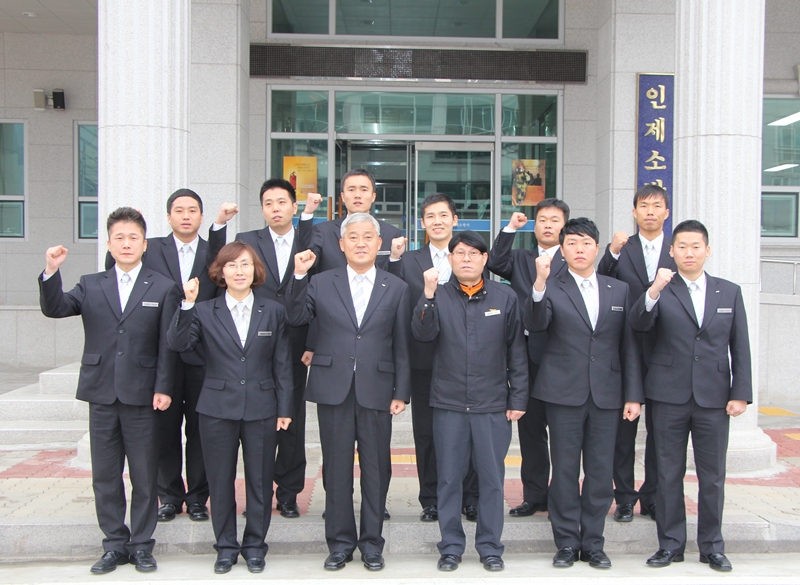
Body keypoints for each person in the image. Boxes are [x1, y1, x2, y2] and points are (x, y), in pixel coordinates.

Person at [39, 207, 181, 574]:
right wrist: (52, 271)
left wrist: (164, 387)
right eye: (119, 237)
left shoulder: (163, 287)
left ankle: (142, 545)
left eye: (133, 237)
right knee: (105, 475)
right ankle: (114, 544)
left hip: (143, 394)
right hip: (101, 392)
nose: (126, 243)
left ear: (144, 244)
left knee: (145, 475)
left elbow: (168, 345)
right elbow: (56, 308)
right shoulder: (90, 284)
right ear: (109, 243)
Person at [287, 213, 411, 572]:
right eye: (352, 237)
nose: (360, 243)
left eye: (368, 237)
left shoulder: (396, 286)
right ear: (341, 244)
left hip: (377, 388)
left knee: (377, 469)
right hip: (333, 388)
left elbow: (401, 344)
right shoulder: (320, 282)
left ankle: (372, 543)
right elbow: (295, 318)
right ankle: (340, 544)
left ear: (379, 243)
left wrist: (401, 391)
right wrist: (298, 276)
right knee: (336, 470)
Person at [630, 220, 751, 572]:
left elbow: (740, 345)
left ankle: (712, 546)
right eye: (681, 246)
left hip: (714, 397)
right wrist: (653, 290)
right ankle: (670, 544)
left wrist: (741, 392)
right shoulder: (661, 289)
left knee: (712, 475)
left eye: (695, 246)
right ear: (672, 251)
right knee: (668, 473)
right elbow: (638, 325)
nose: (689, 253)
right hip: (668, 395)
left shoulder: (728, 291)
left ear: (707, 250)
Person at [167, 242, 293, 574]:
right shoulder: (203, 310)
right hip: (216, 409)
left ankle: (254, 547)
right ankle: (225, 547)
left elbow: (282, 364)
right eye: (232, 265)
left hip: (262, 408)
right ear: (221, 272)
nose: (239, 271)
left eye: (245, 264)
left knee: (260, 482)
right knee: (220, 482)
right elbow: (178, 344)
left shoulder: (273, 311)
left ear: (255, 270)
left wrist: (285, 408)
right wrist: (187, 304)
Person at [103, 189, 228, 524]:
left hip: (203, 354)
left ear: (201, 216)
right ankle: (170, 496)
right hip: (158, 355)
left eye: (192, 210)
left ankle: (198, 498)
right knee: (163, 429)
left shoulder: (214, 252)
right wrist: (129, 227)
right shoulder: (150, 247)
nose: (186, 216)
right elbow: (114, 269)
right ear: (168, 216)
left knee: (201, 431)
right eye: (179, 210)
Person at [526, 217, 643, 570]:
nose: (579, 249)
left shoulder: (618, 289)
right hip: (563, 393)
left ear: (597, 247)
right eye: (572, 243)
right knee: (564, 470)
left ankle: (593, 543)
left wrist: (633, 395)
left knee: (599, 470)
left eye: (586, 243)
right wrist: (539, 283)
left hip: (607, 394)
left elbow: (629, 346)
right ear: (562, 250)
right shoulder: (551, 286)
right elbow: (536, 324)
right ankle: (565, 542)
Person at [412, 230, 528, 573]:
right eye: (459, 253)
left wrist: (518, 396)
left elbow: (516, 352)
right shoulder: (438, 295)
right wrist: (427, 295)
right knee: (449, 479)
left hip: (492, 405)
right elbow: (421, 335)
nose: (466, 259)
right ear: (449, 259)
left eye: (473, 253)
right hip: (448, 404)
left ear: (484, 259)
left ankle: (490, 547)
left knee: (492, 480)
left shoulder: (505, 298)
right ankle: (450, 547)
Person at [219, 178, 316, 518]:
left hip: (297, 344)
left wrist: (313, 342)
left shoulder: (311, 240)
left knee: (292, 421)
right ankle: (258, 494)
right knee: (259, 423)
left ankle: (288, 493)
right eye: (269, 204)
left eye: (282, 202)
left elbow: (321, 292)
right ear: (262, 209)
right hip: (255, 344)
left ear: (294, 206)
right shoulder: (247, 241)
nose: (276, 209)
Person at [386, 193, 479, 523]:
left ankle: (470, 497)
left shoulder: (467, 255)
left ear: (455, 219)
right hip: (423, 359)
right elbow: (394, 299)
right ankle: (431, 498)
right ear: (422, 223)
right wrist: (393, 259)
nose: (437, 221)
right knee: (426, 433)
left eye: (443, 215)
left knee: (467, 431)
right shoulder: (409, 260)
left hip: (464, 359)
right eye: (430, 216)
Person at [597, 184, 676, 523]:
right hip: (625, 347)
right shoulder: (623, 248)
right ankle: (625, 497)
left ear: (666, 212)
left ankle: (653, 496)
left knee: (661, 430)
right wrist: (612, 252)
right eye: (644, 206)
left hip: (666, 350)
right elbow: (599, 281)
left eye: (656, 206)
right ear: (634, 212)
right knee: (623, 431)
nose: (650, 212)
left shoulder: (676, 250)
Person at [486, 198, 570, 517]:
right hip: (527, 356)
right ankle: (535, 496)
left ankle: (562, 496)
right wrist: (510, 228)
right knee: (531, 430)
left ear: (564, 226)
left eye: (555, 220)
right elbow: (495, 262)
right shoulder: (522, 258)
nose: (548, 225)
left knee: (563, 433)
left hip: (563, 356)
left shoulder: (573, 258)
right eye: (543, 220)